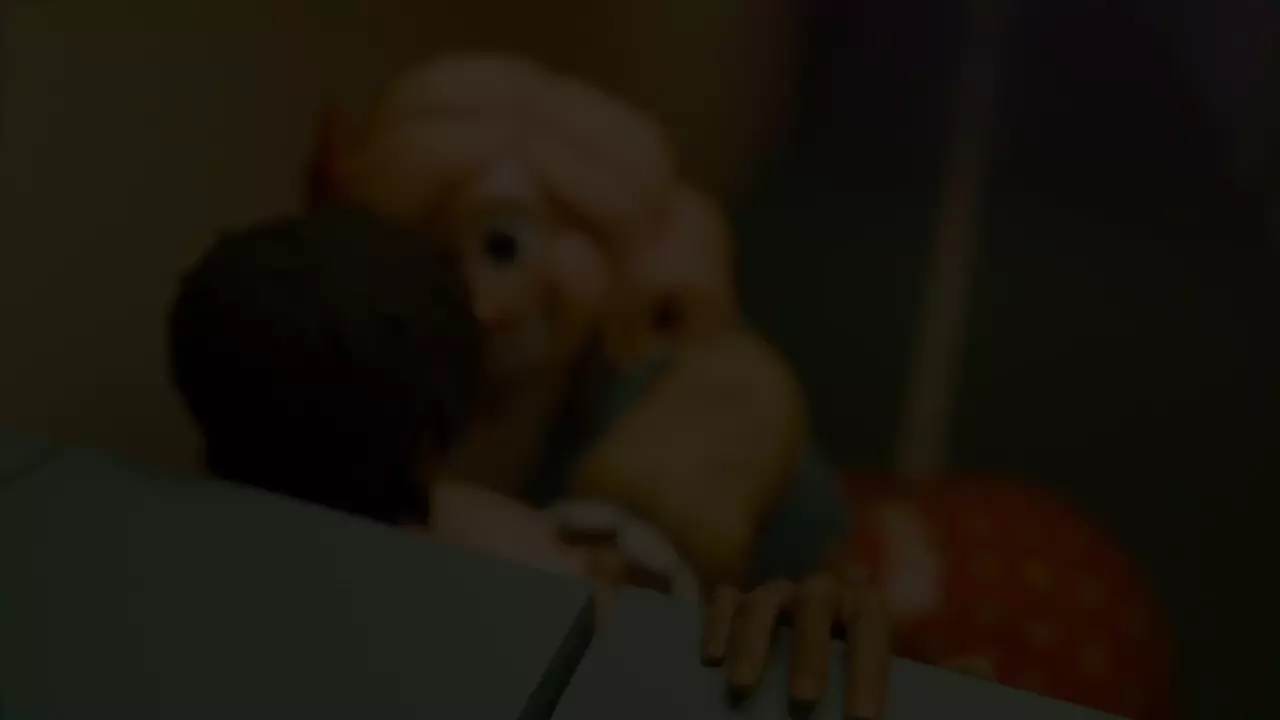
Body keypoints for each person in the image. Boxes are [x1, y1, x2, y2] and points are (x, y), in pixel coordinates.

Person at [321, 52, 889, 717]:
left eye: (504, 244)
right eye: (437, 258)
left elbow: (610, 590)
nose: (478, 301)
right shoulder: (410, 390)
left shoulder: (696, 380)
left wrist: (615, 552)